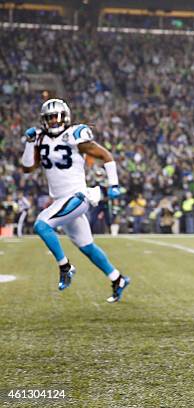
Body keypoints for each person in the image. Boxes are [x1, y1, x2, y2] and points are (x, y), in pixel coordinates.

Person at [21, 99, 130, 303]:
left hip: (77, 197)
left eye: (56, 116)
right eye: (49, 117)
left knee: (41, 225)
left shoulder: (75, 133)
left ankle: (65, 266)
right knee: (86, 246)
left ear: (65, 116)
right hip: (61, 200)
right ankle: (117, 278)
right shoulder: (39, 138)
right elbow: (27, 168)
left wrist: (113, 184)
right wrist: (28, 143)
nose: (53, 121)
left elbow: (105, 155)